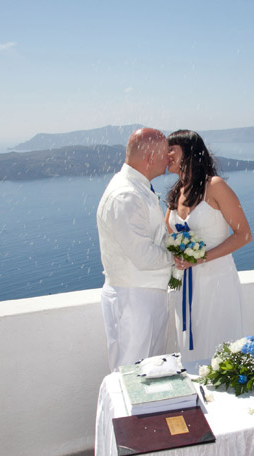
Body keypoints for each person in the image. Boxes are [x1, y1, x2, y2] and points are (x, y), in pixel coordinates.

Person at [165, 130, 252, 361]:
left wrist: (201, 257)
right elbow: (167, 231)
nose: (167, 154)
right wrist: (178, 253)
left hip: (217, 281)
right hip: (185, 284)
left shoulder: (214, 186)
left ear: (190, 152)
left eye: (172, 148)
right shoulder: (177, 191)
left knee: (217, 345)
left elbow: (243, 235)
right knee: (188, 345)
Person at [96, 128, 174, 372]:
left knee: (149, 371)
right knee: (130, 373)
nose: (169, 160)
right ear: (150, 158)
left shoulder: (137, 188)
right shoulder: (126, 196)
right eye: (165, 155)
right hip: (134, 299)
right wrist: (178, 256)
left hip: (145, 295)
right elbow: (143, 256)